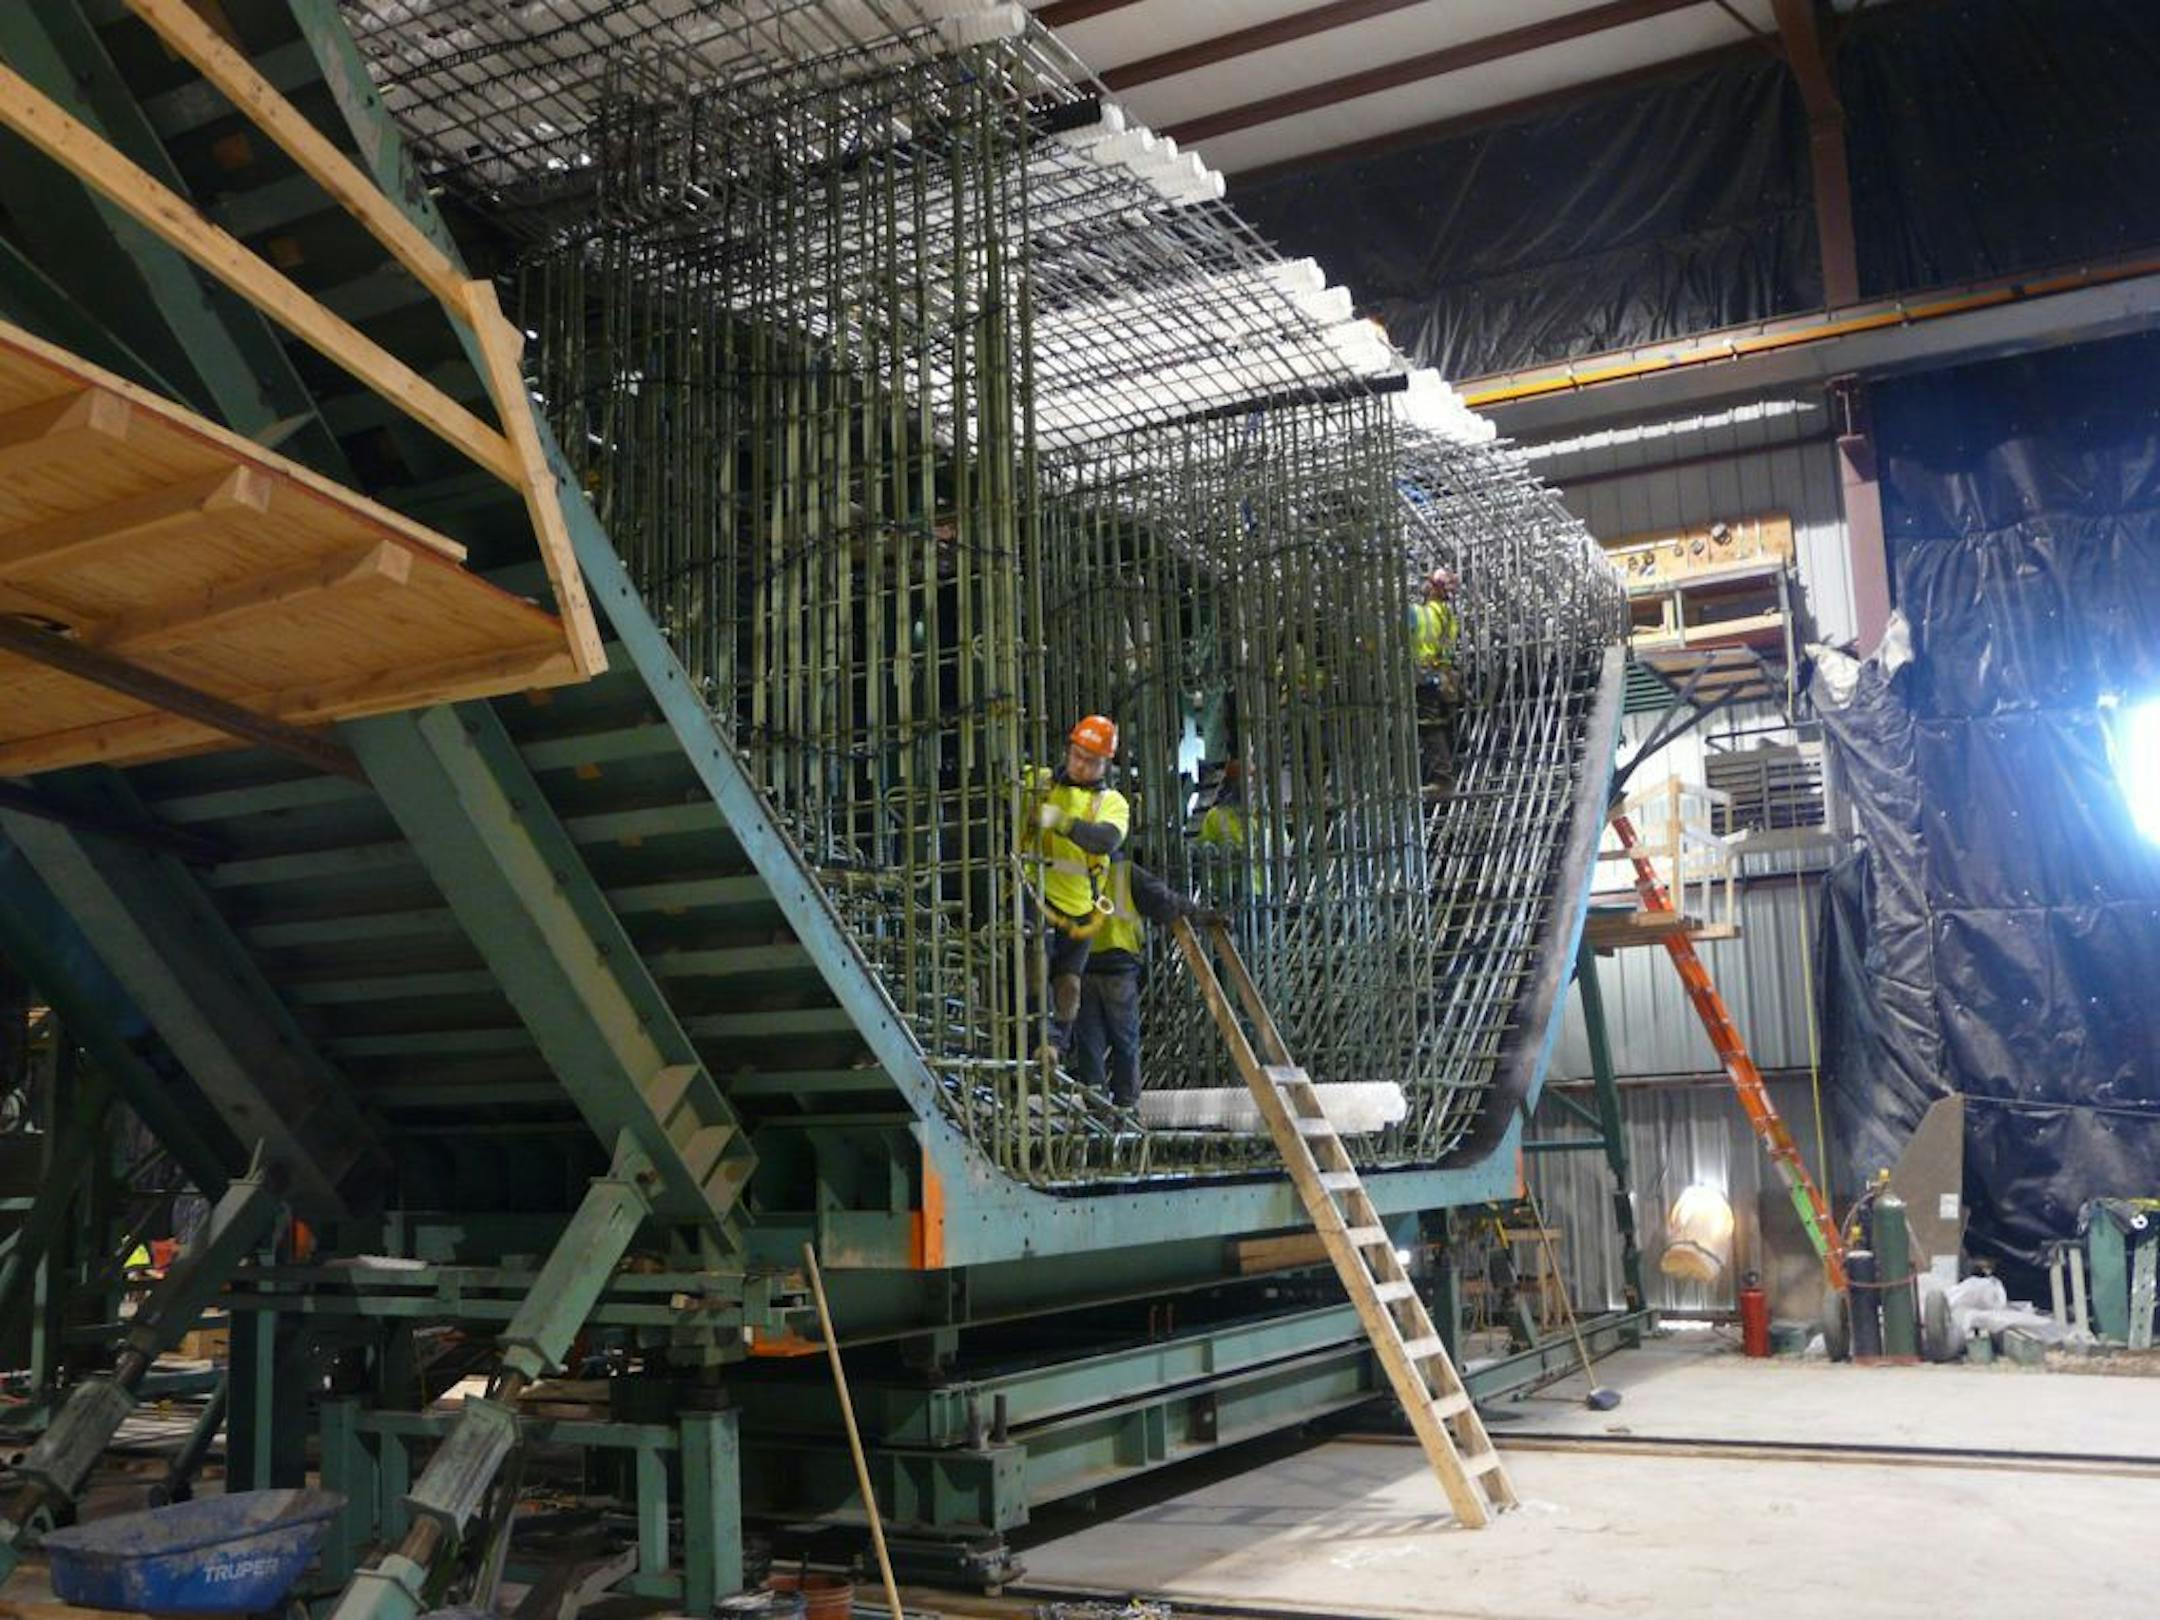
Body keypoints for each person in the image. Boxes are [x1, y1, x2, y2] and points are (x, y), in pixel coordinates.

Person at [1071, 852, 1216, 1111]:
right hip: (1117, 964)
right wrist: (1200, 915)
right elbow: (1164, 901)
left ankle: (1096, 1111)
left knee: (1089, 1044)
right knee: (1124, 1040)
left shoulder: (1071, 870)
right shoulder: (1124, 872)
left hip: (1079, 967)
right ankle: (1127, 1107)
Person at [1022, 714, 1129, 1057]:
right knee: (1034, 963)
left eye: (1091, 761)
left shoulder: (1111, 802)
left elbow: (1105, 840)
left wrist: (1060, 820)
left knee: (1068, 984)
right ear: (1069, 749)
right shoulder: (1040, 782)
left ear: (1105, 764)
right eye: (1077, 755)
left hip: (1081, 906)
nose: (1081, 765)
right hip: (1035, 893)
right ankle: (1035, 1041)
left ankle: (1055, 1047)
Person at [1411, 566, 1463, 794]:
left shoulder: (1420, 613)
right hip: (1444, 679)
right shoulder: (1449, 618)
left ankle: (1443, 779)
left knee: (1428, 727)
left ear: (1433, 588)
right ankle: (1444, 776)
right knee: (1440, 727)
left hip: (1425, 677)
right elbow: (1448, 650)